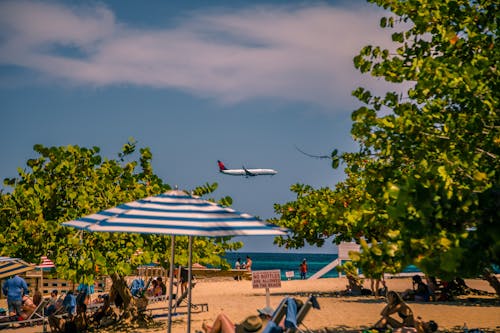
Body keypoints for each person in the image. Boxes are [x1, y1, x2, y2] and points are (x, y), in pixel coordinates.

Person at [202, 305, 275, 333]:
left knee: (221, 317)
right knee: (224, 322)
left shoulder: (263, 325)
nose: (259, 315)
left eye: (261, 314)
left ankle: (210, 331)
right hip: (238, 330)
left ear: (267, 316)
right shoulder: (267, 326)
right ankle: (211, 329)